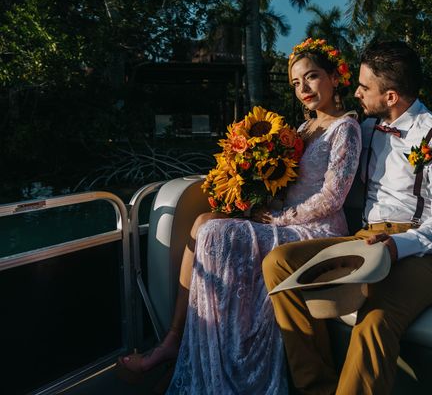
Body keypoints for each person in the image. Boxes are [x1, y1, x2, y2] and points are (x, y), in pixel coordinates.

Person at [117, 38, 362, 394]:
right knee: (205, 222)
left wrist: (277, 219)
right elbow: (280, 185)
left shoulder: (346, 129)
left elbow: (332, 198)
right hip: (285, 219)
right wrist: (249, 191)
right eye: (295, 82)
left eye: (311, 77)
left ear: (334, 78)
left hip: (318, 230)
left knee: (216, 234)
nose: (303, 89)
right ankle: (184, 346)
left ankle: (188, 351)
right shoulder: (302, 130)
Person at [262, 40, 432, 395]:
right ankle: (318, 388)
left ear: (390, 96)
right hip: (365, 239)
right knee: (279, 264)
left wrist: (397, 246)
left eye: (364, 87)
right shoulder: (366, 129)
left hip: (422, 253)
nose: (355, 92)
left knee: (374, 323)